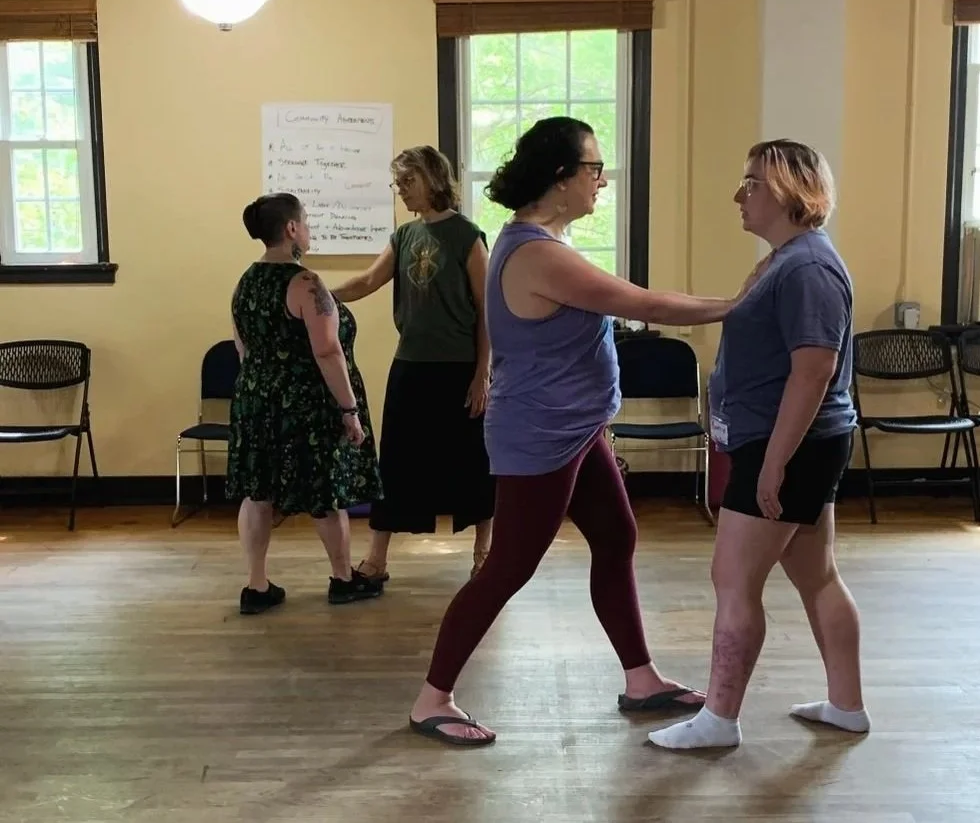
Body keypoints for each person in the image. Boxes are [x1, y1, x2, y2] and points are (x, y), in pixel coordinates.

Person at [407, 116, 738, 746]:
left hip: (576, 430)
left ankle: (642, 679)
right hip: (540, 436)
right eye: (593, 168)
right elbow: (645, 304)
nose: (602, 179)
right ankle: (432, 698)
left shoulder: (541, 242)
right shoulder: (536, 253)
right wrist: (739, 302)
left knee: (615, 538)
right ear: (561, 179)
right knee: (508, 566)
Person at [648, 139, 868, 751]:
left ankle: (718, 719)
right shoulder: (787, 260)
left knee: (733, 579)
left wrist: (772, 466)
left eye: (753, 184)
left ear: (792, 192)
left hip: (788, 445)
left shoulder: (808, 268)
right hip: (789, 442)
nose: (739, 195)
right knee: (816, 574)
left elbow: (814, 370)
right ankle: (846, 705)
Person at [332, 146, 493, 583]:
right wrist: (321, 295)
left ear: (433, 180)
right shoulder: (403, 236)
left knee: (472, 460)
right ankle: (377, 560)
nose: (401, 190)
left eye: (408, 181)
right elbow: (367, 281)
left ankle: (484, 555)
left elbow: (487, 311)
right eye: (398, 183)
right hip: (412, 364)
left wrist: (483, 373)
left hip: (460, 368)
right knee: (399, 461)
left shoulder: (468, 236)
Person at [227, 192, 385, 615]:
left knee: (257, 492)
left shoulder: (246, 282)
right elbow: (328, 352)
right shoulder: (305, 283)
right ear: (292, 229)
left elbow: (243, 347)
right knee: (324, 492)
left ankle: (256, 586)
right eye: (307, 222)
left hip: (255, 398)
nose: (309, 229)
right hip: (307, 405)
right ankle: (343, 578)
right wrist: (349, 411)